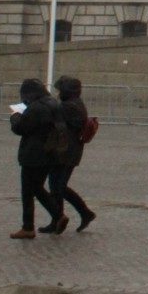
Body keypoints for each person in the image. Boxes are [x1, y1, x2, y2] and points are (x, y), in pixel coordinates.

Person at [8, 78, 67, 238]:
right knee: (38, 188)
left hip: (33, 155)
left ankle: (28, 227)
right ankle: (58, 215)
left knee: (28, 192)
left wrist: (15, 116)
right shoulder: (52, 103)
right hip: (49, 153)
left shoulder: (36, 108)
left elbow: (20, 128)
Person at [49, 76, 97, 231]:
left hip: (66, 152)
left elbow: (52, 118)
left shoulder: (68, 106)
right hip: (68, 151)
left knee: (59, 187)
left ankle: (83, 213)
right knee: (56, 186)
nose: (58, 94)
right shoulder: (75, 104)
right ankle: (58, 218)